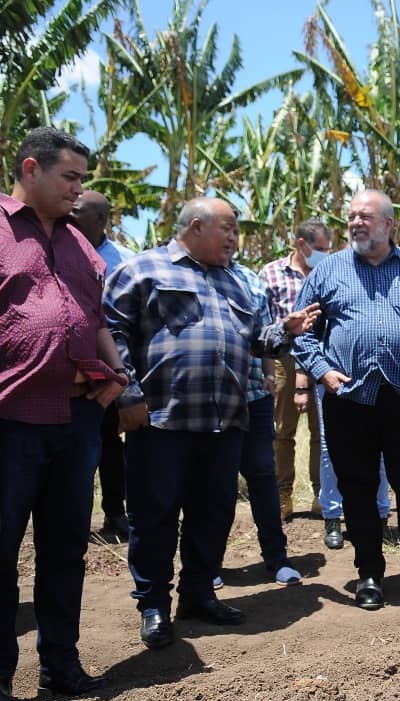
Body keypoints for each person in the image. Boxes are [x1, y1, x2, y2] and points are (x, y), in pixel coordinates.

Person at [104, 197, 319, 650]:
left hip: (226, 421)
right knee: (156, 514)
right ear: (196, 226)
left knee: (213, 514)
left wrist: (287, 331)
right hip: (161, 420)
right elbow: (111, 330)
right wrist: (128, 395)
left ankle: (198, 595)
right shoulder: (143, 270)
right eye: (229, 229)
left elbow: (258, 340)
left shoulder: (240, 282)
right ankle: (154, 606)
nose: (235, 239)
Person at [0, 128, 128, 699]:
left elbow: (96, 320)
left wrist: (118, 377)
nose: (79, 190)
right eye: (69, 177)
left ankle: (61, 666)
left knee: (65, 548)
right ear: (31, 169)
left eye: (83, 180)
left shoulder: (80, 244)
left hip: (77, 422)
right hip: (12, 420)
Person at [292, 189, 400, 610]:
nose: (355, 223)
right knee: (358, 489)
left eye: (365, 217)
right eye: (351, 216)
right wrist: (324, 373)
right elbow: (303, 333)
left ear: (389, 224)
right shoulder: (328, 272)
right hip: (349, 398)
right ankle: (369, 574)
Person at [216, 261, 303, 588]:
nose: (229, 237)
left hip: (255, 396)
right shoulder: (192, 277)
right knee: (218, 483)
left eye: (233, 230)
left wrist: (268, 374)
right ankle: (211, 563)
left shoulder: (250, 281)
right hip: (216, 399)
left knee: (264, 476)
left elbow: (265, 334)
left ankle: (277, 559)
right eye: (223, 229)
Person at [70, 190, 136, 543]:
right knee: (74, 447)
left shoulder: (124, 261)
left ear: (99, 220)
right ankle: (71, 520)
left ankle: (115, 513)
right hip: (70, 369)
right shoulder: (56, 248)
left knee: (111, 445)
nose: (70, 213)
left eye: (78, 211)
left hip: (110, 369)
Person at [258, 220, 331, 522]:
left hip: (321, 358)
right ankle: (282, 494)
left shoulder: (329, 274)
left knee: (322, 433)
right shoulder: (270, 274)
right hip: (284, 360)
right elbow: (263, 323)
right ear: (302, 245)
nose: (326, 255)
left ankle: (321, 493)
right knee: (282, 431)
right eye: (321, 249)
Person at [293, 372, 393, 549]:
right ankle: (332, 518)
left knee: (379, 448)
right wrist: (302, 382)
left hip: (373, 375)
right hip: (330, 376)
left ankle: (380, 516)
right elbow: (308, 343)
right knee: (329, 449)